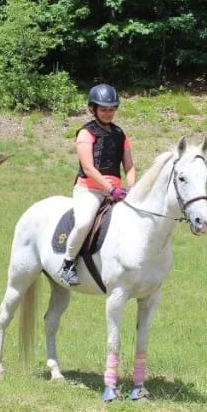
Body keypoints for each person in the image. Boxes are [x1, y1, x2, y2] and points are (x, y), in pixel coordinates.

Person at [58, 84, 137, 286]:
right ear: (93, 109)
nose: (108, 113)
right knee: (84, 222)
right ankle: (67, 264)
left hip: (117, 192)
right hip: (90, 190)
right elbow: (88, 167)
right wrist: (110, 189)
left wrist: (132, 188)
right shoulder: (86, 133)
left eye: (111, 109)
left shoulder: (120, 134)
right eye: (103, 109)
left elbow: (129, 165)